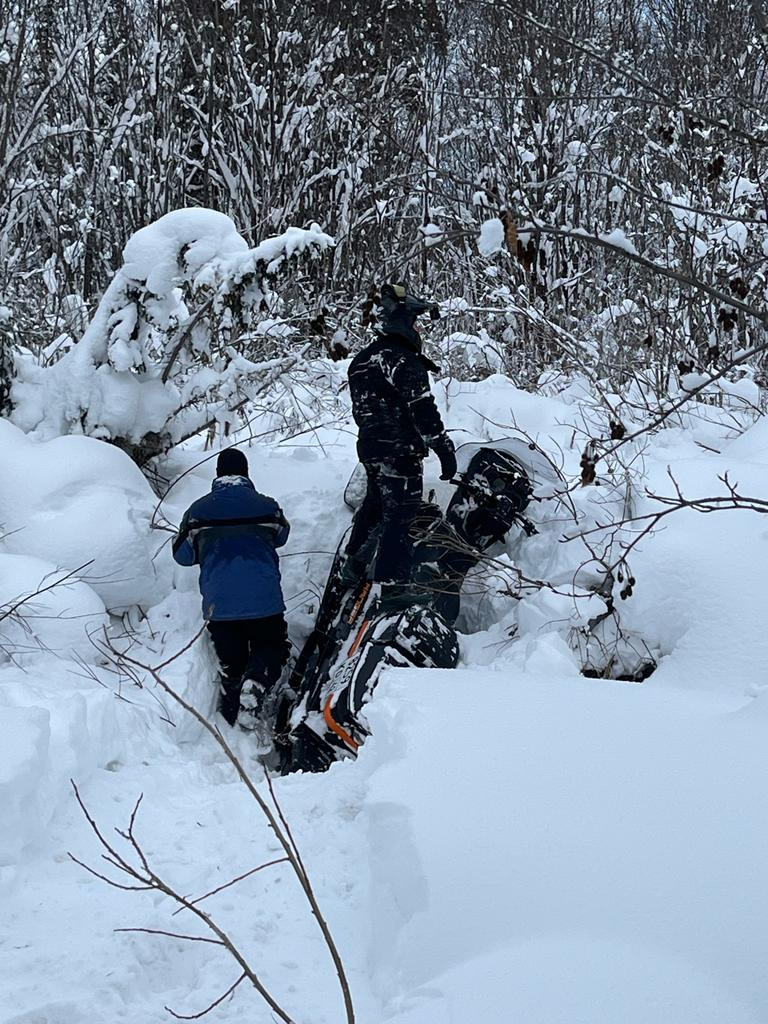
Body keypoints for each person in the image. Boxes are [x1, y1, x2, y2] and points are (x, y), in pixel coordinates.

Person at [344, 283, 457, 609]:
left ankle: (353, 566)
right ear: (405, 322)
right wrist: (442, 445)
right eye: (417, 323)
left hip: (370, 447)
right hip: (399, 450)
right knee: (401, 513)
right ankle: (393, 586)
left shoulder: (363, 360)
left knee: (375, 505)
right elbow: (421, 408)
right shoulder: (403, 361)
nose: (419, 330)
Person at [172, 448, 291, 729]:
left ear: (218, 475)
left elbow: (182, 557)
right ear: (246, 473)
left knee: (231, 665)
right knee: (272, 646)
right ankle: (258, 682)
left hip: (220, 607)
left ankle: (229, 718)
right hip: (265, 602)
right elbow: (282, 536)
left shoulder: (197, 512)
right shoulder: (267, 506)